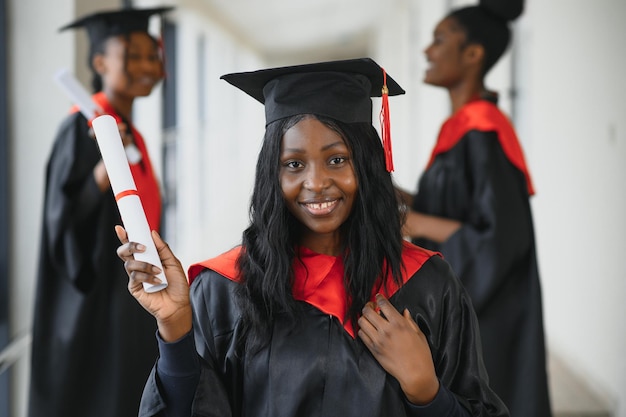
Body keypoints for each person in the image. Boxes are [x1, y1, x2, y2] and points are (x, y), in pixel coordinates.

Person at [116, 57, 509, 417]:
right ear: (273, 175)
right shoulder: (224, 289)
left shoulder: (427, 285)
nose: (316, 182)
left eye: (337, 159)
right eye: (294, 164)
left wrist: (426, 391)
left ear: (368, 166)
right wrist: (175, 331)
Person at [395, 1, 552, 415]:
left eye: (440, 39)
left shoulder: (484, 132)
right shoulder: (461, 130)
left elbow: (499, 237)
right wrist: (388, 191)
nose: (428, 50)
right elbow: (448, 212)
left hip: (492, 312)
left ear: (473, 54)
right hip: (474, 304)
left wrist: (411, 219)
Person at [29, 7, 172, 417]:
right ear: (99, 63)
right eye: (134, 55)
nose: (149, 65)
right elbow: (62, 220)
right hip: (96, 305)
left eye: (153, 55)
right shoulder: (81, 128)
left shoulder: (128, 130)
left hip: (132, 293)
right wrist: (100, 172)